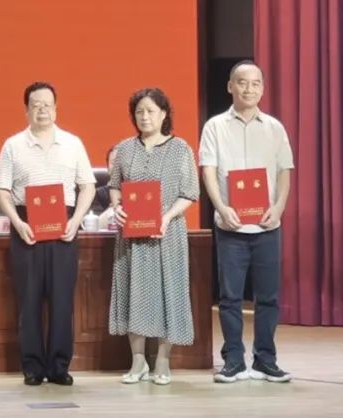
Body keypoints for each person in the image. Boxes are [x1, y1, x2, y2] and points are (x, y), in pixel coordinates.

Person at [0, 81, 94, 387]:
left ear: (56, 108)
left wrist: (76, 220)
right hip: (26, 227)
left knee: (62, 300)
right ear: (26, 110)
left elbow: (87, 186)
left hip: (64, 226)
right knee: (29, 300)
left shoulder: (72, 143)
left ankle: (59, 366)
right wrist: (17, 222)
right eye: (35, 105)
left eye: (47, 105)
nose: (42, 110)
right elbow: (1, 189)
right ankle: (33, 366)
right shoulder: (13, 145)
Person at [199, 61, 294, 384]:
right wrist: (221, 207)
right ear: (231, 86)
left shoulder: (274, 128)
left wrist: (278, 208)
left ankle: (266, 360)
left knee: (268, 298)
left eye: (255, 83)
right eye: (242, 82)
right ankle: (234, 360)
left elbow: (284, 171)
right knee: (229, 298)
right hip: (231, 226)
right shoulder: (214, 126)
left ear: (262, 89)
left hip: (268, 226)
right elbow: (208, 171)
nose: (248, 88)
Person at [108, 88, 199, 386]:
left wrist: (167, 216)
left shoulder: (180, 148)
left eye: (150, 111)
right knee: (132, 292)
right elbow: (115, 186)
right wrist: (117, 207)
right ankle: (138, 361)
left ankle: (162, 360)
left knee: (167, 292)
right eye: (139, 112)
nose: (144, 116)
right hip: (132, 238)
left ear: (163, 114)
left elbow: (190, 193)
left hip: (167, 235)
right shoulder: (125, 149)